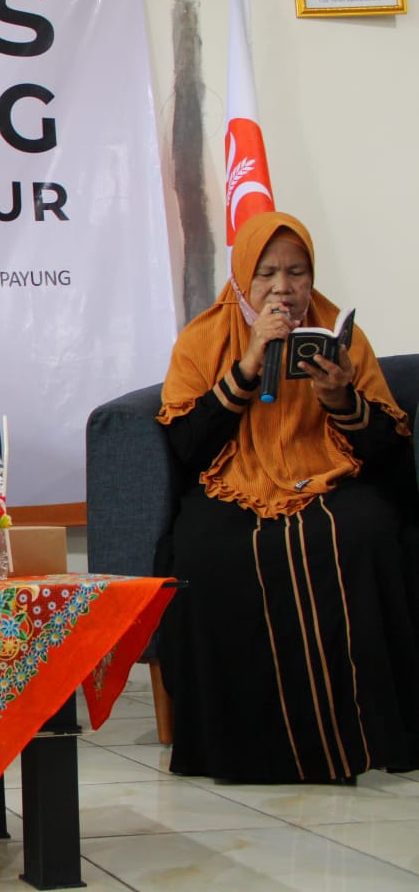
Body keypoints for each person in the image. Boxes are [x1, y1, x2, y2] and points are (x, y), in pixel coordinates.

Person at [156, 210, 419, 783]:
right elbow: (187, 448)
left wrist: (341, 398)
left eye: (297, 273)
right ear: (243, 278)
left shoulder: (342, 336)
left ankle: (366, 736)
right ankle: (234, 746)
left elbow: (389, 450)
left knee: (365, 531)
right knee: (205, 550)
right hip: (232, 481)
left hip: (325, 475)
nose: (283, 288)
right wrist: (249, 364)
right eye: (267, 273)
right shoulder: (202, 339)